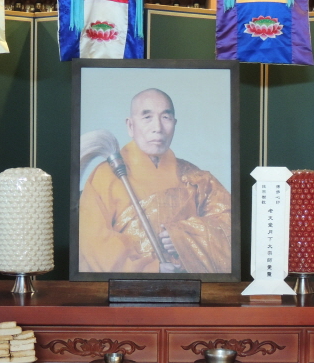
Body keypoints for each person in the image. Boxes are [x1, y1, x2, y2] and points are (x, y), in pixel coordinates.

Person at [79, 88, 232, 274]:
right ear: (130, 126)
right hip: (129, 287)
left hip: (187, 285)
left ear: (175, 124)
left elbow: (229, 226)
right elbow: (93, 242)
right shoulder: (105, 176)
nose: (157, 128)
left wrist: (185, 238)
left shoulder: (195, 177)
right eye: (147, 117)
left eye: (166, 117)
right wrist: (151, 269)